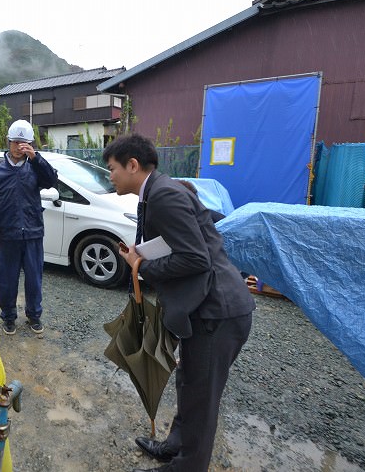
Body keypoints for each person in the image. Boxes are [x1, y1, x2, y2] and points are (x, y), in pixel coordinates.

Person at [102, 133, 255, 472]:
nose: (109, 175)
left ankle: (188, 465)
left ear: (132, 165)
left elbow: (196, 259)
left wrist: (142, 267)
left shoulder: (164, 195)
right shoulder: (159, 191)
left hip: (217, 312)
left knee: (202, 397)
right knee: (188, 382)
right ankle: (175, 446)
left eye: (112, 168)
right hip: (204, 309)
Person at [0, 119, 58, 336]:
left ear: (30, 145)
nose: (18, 147)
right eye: (15, 142)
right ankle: (8, 317)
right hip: (8, 235)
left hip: (33, 233)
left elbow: (52, 180)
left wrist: (36, 158)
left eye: (24, 143)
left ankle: (34, 315)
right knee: (6, 280)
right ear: (8, 142)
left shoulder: (35, 169)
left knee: (34, 279)